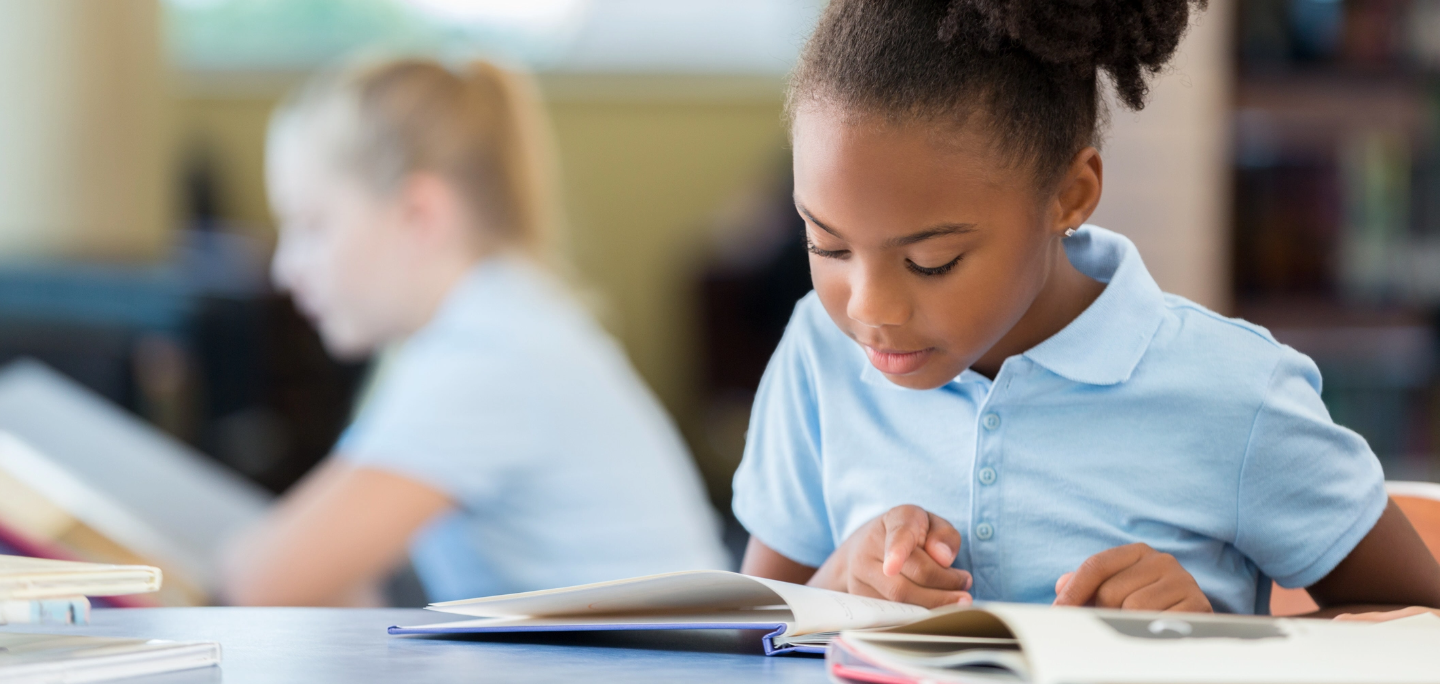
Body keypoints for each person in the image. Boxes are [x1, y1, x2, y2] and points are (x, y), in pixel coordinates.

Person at [733, 0, 1440, 616]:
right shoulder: (818, 354)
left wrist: (1222, 639)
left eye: (931, 262)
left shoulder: (1236, 394)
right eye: (826, 244)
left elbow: (1421, 623)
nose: (870, 309)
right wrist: (840, 581)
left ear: (1069, 196)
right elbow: (756, 630)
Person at [220, 58, 729, 606]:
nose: (285, 268)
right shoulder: (497, 320)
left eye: (312, 226)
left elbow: (260, 584)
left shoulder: (488, 356)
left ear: (418, 215)